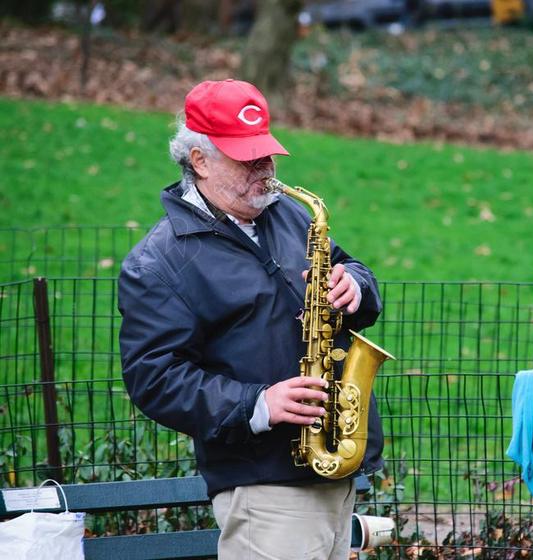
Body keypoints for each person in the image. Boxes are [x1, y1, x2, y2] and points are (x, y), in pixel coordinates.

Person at [118, 79, 384, 560]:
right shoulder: (156, 264)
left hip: (335, 469)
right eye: (247, 157)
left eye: (267, 152)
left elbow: (352, 269)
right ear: (199, 160)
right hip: (262, 486)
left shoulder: (288, 214)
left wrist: (356, 286)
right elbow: (154, 379)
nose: (265, 168)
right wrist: (257, 403)